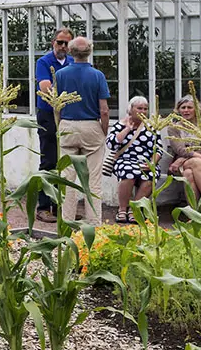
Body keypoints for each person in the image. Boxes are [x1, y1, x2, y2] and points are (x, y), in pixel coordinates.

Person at [53, 36, 111, 222]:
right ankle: (94, 223)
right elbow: (104, 109)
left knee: (67, 179)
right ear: (90, 51)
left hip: (67, 125)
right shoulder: (98, 75)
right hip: (91, 126)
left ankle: (67, 221)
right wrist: (103, 130)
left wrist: (59, 126)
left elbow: (57, 105)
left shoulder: (60, 75)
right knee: (93, 180)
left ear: (70, 51)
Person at [35, 27, 74, 223]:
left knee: (65, 162)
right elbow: (45, 86)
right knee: (49, 160)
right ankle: (43, 207)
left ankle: (62, 207)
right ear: (53, 43)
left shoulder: (73, 62)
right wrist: (62, 99)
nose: (63, 47)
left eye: (67, 43)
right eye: (60, 42)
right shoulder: (44, 62)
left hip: (67, 115)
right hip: (49, 115)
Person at [107, 96, 160, 223]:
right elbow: (111, 144)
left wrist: (152, 163)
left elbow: (158, 149)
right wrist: (127, 129)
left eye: (145, 109)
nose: (142, 111)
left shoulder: (151, 126)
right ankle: (122, 209)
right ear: (131, 109)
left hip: (146, 161)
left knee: (150, 176)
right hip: (125, 160)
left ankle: (134, 209)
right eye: (139, 108)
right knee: (129, 174)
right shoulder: (120, 124)